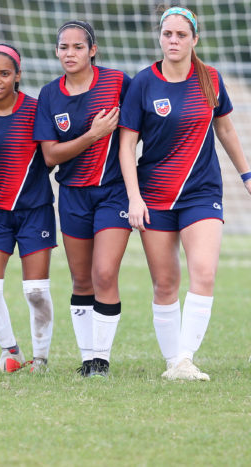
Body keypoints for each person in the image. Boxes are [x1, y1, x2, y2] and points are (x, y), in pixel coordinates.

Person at [119, 6, 251, 381]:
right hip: (154, 195)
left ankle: (185, 359)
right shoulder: (143, 83)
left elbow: (225, 131)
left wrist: (247, 174)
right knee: (164, 283)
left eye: (180, 35)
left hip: (201, 192)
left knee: (204, 273)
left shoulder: (210, 78)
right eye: (167, 35)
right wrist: (134, 197)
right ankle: (172, 362)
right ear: (160, 37)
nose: (173, 41)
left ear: (195, 39)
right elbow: (127, 147)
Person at [34, 21, 132, 377]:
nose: (69, 53)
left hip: (114, 193)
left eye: (78, 47)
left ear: (93, 50)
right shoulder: (49, 95)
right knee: (81, 280)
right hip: (73, 195)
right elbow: (49, 156)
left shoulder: (118, 83)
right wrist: (93, 135)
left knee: (104, 273)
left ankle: (101, 362)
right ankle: (88, 358)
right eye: (63, 47)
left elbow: (139, 129)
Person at [0, 44, 56, 373]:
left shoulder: (37, 110)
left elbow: (50, 156)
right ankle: (11, 352)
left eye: (5, 73)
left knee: (35, 291)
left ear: (18, 75)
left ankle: (41, 359)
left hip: (35, 211)